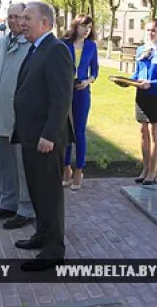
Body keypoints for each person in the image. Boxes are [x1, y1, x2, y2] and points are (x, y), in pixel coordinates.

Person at [11, 1, 73, 271]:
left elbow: (61, 99)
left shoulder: (56, 50)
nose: (22, 23)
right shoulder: (36, 48)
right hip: (29, 136)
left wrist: (49, 134)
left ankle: (53, 251)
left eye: (27, 18)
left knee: (48, 194)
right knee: (37, 191)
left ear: (45, 23)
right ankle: (41, 235)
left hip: (45, 139)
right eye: (21, 18)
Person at [0, 2, 36, 230]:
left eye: (17, 16)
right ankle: (7, 202)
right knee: (4, 162)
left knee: (22, 163)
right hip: (1, 112)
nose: (13, 20)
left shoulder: (31, 45)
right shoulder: (2, 43)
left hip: (21, 116)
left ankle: (26, 208)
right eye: (10, 16)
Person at [117, 19, 157, 185]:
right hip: (141, 97)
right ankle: (144, 168)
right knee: (143, 132)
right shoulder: (141, 50)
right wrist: (129, 81)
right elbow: (137, 74)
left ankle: (153, 171)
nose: (151, 33)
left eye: (154, 30)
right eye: (148, 30)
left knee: (154, 132)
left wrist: (152, 83)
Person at [61, 15, 99, 190]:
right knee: (66, 129)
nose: (87, 30)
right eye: (84, 26)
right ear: (76, 26)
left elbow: (95, 70)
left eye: (89, 27)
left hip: (82, 92)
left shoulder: (91, 46)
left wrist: (88, 81)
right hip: (65, 91)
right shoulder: (64, 44)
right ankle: (66, 167)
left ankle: (79, 170)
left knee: (79, 131)